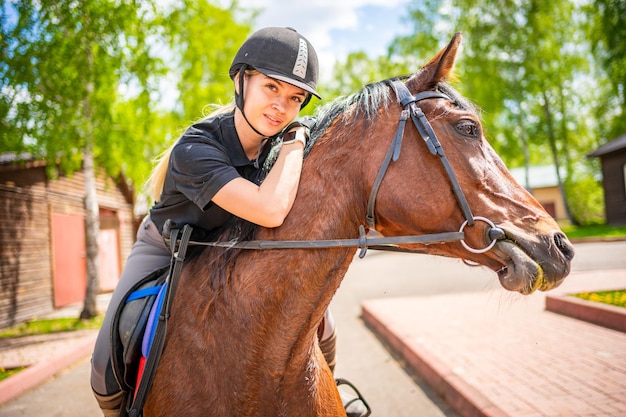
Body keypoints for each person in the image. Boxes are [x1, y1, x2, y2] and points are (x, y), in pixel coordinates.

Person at [90, 27, 367, 417]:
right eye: (271, 88)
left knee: (324, 326)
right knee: (104, 361)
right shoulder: (196, 148)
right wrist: (297, 141)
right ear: (241, 80)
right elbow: (269, 209)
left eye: (295, 98)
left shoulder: (282, 147)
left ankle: (328, 393)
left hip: (238, 250)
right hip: (169, 248)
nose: (281, 107)